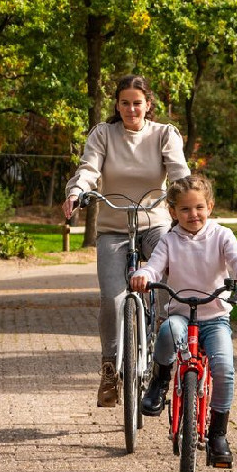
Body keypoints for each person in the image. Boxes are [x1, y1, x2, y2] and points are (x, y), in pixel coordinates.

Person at [63, 76, 190, 407]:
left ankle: (165, 354)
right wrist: (77, 192)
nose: (131, 109)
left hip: (154, 223)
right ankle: (109, 369)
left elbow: (178, 173)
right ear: (116, 106)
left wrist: (186, 200)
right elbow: (89, 169)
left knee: (166, 285)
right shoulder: (103, 134)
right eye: (124, 103)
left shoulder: (164, 134)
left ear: (148, 104)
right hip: (114, 227)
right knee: (112, 298)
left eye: (137, 102)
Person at [130, 173, 237, 468]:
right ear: (173, 213)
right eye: (185, 209)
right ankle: (160, 382)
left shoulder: (221, 235)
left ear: (210, 206)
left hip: (214, 318)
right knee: (165, 332)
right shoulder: (169, 240)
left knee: (225, 369)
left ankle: (218, 435)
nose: (193, 214)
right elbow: (154, 267)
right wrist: (143, 276)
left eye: (199, 207)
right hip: (180, 314)